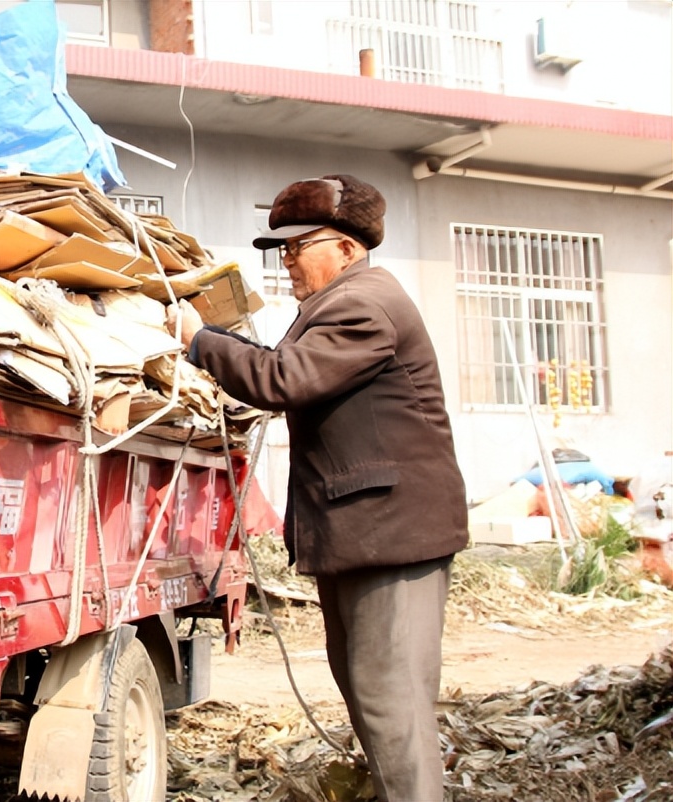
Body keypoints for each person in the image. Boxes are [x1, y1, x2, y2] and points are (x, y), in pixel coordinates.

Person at [167, 174, 468, 802]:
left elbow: (286, 379)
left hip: (393, 536)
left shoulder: (364, 303)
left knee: (392, 703)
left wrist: (199, 341)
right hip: (364, 533)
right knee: (371, 695)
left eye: (298, 246)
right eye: (281, 249)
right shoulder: (334, 305)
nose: (287, 260)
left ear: (347, 248)